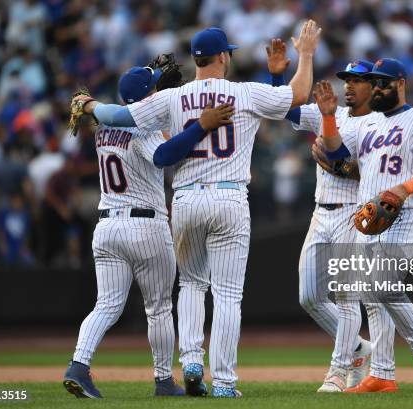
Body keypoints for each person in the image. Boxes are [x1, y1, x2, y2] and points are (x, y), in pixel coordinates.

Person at [73, 22, 322, 397]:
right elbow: (300, 94)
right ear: (223, 56)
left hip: (186, 198)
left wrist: (89, 104)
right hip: (229, 197)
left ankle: (190, 362)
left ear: (195, 59)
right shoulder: (244, 93)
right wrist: (304, 54)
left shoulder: (173, 98)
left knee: (190, 283)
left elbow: (117, 117)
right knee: (227, 295)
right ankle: (223, 382)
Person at [63, 63, 234, 399]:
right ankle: (163, 380)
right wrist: (198, 125)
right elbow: (164, 155)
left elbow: (132, 117)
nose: (159, 91)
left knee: (107, 305)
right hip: (145, 226)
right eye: (155, 88)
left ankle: (78, 366)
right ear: (147, 96)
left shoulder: (105, 129)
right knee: (157, 308)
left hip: (108, 224)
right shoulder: (142, 128)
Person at [317, 58, 413, 393]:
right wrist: (329, 119)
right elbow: (341, 159)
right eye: (374, 83)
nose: (376, 88)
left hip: (405, 215)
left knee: (383, 282)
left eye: (383, 83)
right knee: (373, 296)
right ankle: (383, 375)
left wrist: (405, 188)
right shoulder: (370, 124)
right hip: (369, 218)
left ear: (401, 83)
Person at [267, 45, 378, 393]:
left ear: (373, 87)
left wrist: (337, 161)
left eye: (357, 80)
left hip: (351, 213)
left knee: (346, 296)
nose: (348, 85)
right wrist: (277, 76)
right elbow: (286, 110)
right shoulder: (332, 112)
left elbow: (351, 164)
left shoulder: (376, 123)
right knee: (309, 296)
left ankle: (337, 369)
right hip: (320, 212)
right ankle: (359, 349)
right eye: (346, 79)